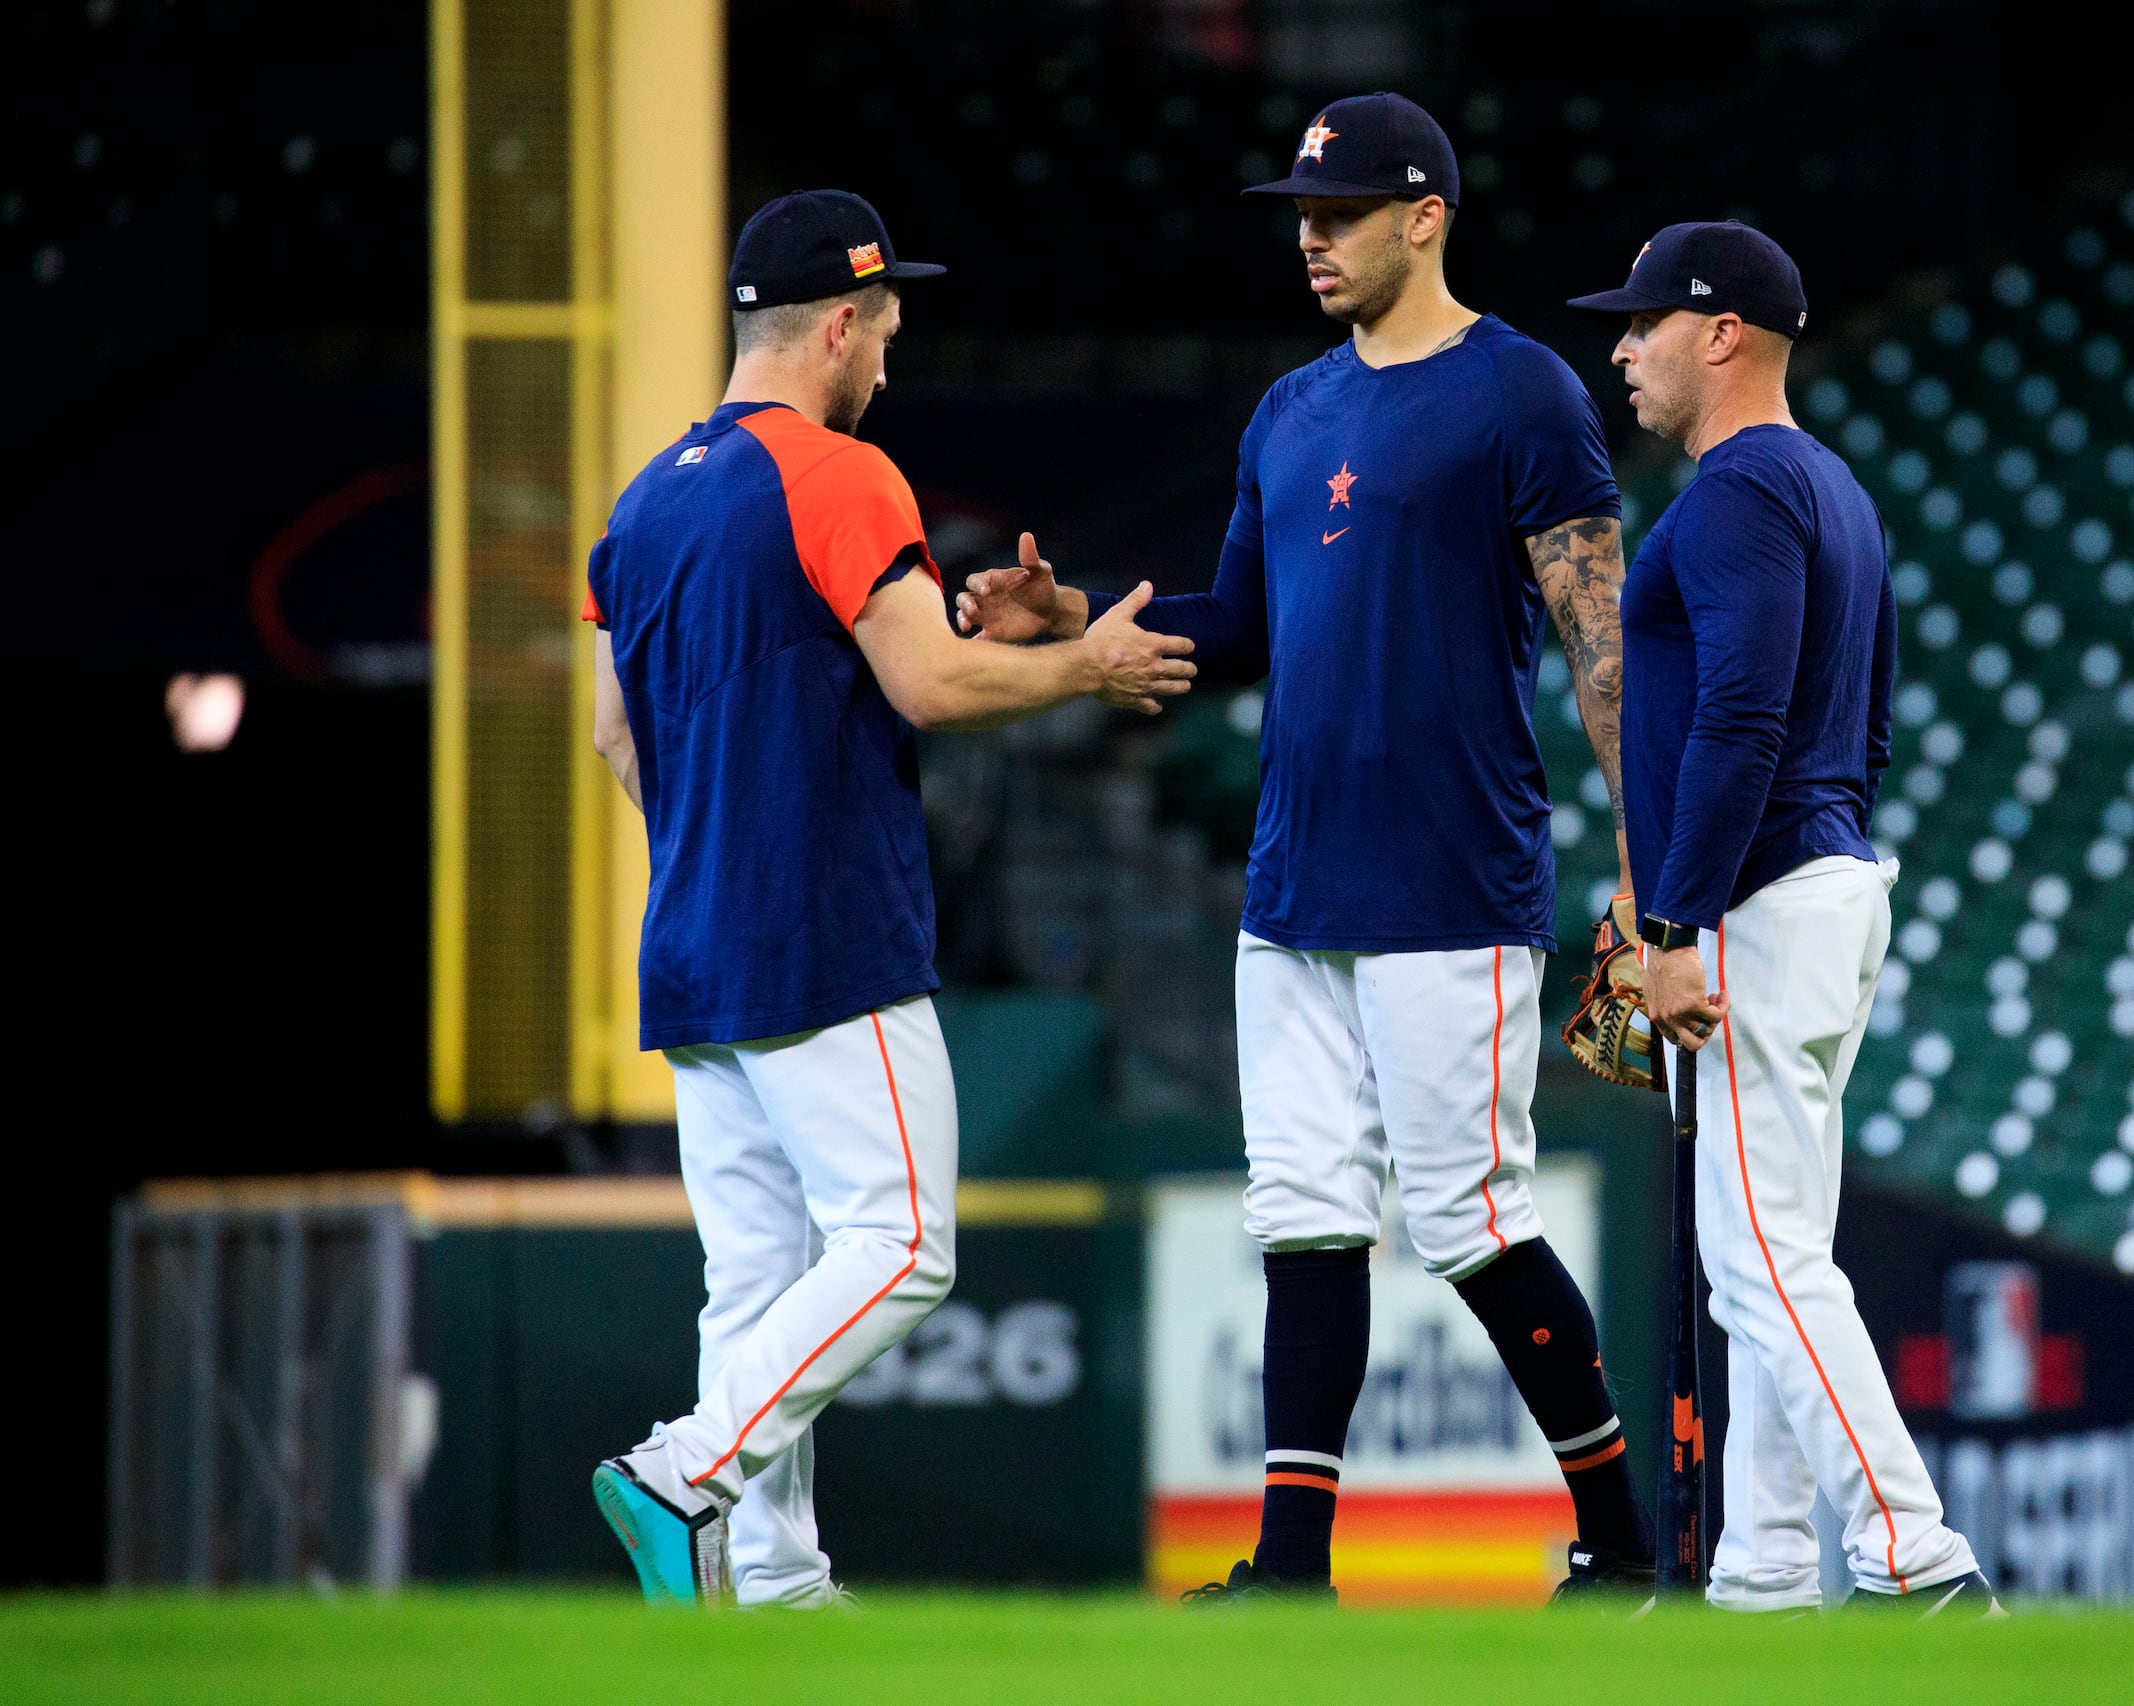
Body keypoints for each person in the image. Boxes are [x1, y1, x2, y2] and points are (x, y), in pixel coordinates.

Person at [959, 93, 1653, 1603]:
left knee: (1473, 1223)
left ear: (1427, 217)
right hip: (1292, 887)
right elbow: (1242, 629)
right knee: (1305, 1221)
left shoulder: (1524, 392)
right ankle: (1290, 1565)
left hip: (1450, 879)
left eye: (1339, 212)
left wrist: (1649, 868)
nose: (1310, 236)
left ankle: (1623, 1538)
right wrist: (1078, 618)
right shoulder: (1288, 410)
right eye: (1299, 212)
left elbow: (1602, 638)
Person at [582, 190, 1195, 1607]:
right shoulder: (843, 473)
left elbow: (620, 737)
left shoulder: (646, 502)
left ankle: (779, 1583)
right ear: (842, 323)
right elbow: (930, 681)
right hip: (822, 934)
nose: (890, 361)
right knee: (902, 1244)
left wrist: (727, 838)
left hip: (690, 944)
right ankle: (691, 1466)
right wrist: (1081, 664)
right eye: (889, 328)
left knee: (759, 1277)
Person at [1567, 221, 2001, 1616]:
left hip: (1757, 907)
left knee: (1757, 1258)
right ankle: (1759, 1576)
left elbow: (1745, 711)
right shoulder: (1834, 488)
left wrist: (1679, 921)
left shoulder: (1744, 485)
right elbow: (1860, 729)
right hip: (1820, 883)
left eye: (1644, 322)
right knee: (1769, 1251)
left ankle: (1916, 1555)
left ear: (1722, 332)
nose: (1621, 347)